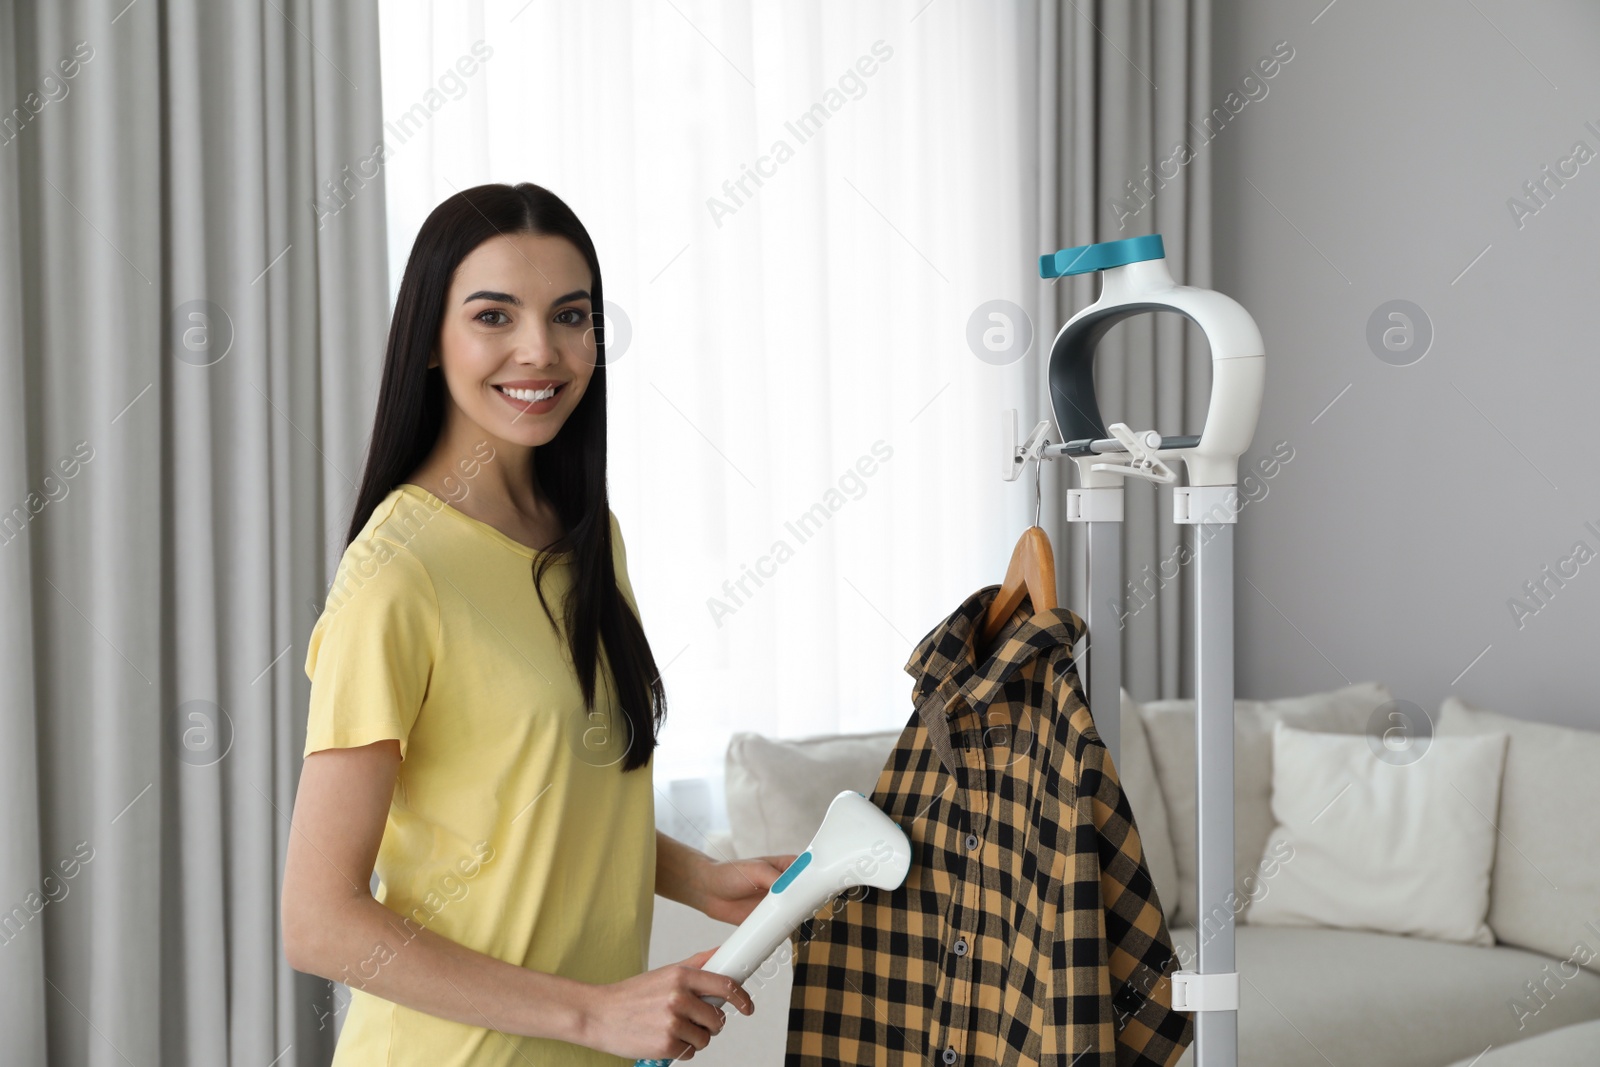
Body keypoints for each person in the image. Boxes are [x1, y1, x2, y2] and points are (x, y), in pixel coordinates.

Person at [280, 181, 797, 1065]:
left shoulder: (586, 538)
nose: (541, 350)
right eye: (493, 315)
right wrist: (596, 1014)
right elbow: (319, 922)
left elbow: (541, 793)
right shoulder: (397, 575)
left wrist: (700, 877)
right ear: (432, 344)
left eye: (570, 315)